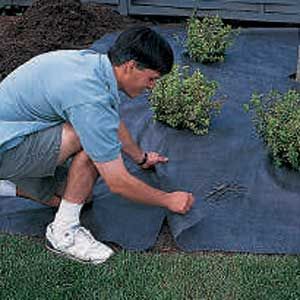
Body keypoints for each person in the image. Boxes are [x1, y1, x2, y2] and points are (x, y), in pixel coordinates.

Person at [0, 26, 195, 264]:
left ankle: (7, 185)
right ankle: (63, 233)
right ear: (130, 66)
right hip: (8, 145)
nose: (152, 86)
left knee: (79, 197)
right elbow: (118, 183)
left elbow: (109, 118)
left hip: (18, 132)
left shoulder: (94, 65)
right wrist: (169, 200)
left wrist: (140, 158)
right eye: (152, 79)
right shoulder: (90, 97)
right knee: (92, 143)